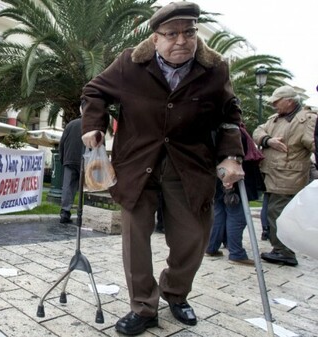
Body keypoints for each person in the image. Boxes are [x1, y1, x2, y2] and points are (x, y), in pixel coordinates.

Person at [80, 2, 244, 335]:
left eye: (189, 32)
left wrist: (231, 156)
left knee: (193, 238)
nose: (181, 40)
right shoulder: (130, 63)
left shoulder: (215, 70)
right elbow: (94, 91)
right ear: (156, 38)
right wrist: (92, 125)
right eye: (172, 33)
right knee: (135, 239)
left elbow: (230, 116)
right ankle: (143, 306)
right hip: (137, 164)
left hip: (190, 167)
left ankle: (175, 293)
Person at [253, 85, 317, 267]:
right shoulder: (275, 119)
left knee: (277, 212)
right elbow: (258, 131)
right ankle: (280, 249)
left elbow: (314, 144)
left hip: (289, 176)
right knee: (273, 211)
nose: (274, 105)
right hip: (272, 174)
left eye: (277, 102)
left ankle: (284, 251)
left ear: (289, 101)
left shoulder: (306, 121)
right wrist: (268, 140)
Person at [206, 125, 262, 266]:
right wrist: (228, 180)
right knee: (237, 216)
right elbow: (230, 154)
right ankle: (236, 253)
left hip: (218, 177)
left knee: (219, 213)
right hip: (231, 178)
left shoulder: (214, 127)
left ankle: (211, 247)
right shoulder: (231, 130)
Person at [58, 117, 83, 224]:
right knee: (87, 187)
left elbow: (62, 143)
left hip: (70, 159)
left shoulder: (70, 124)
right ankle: (84, 213)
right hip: (87, 160)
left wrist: (62, 158)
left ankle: (65, 212)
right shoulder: (94, 125)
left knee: (68, 186)